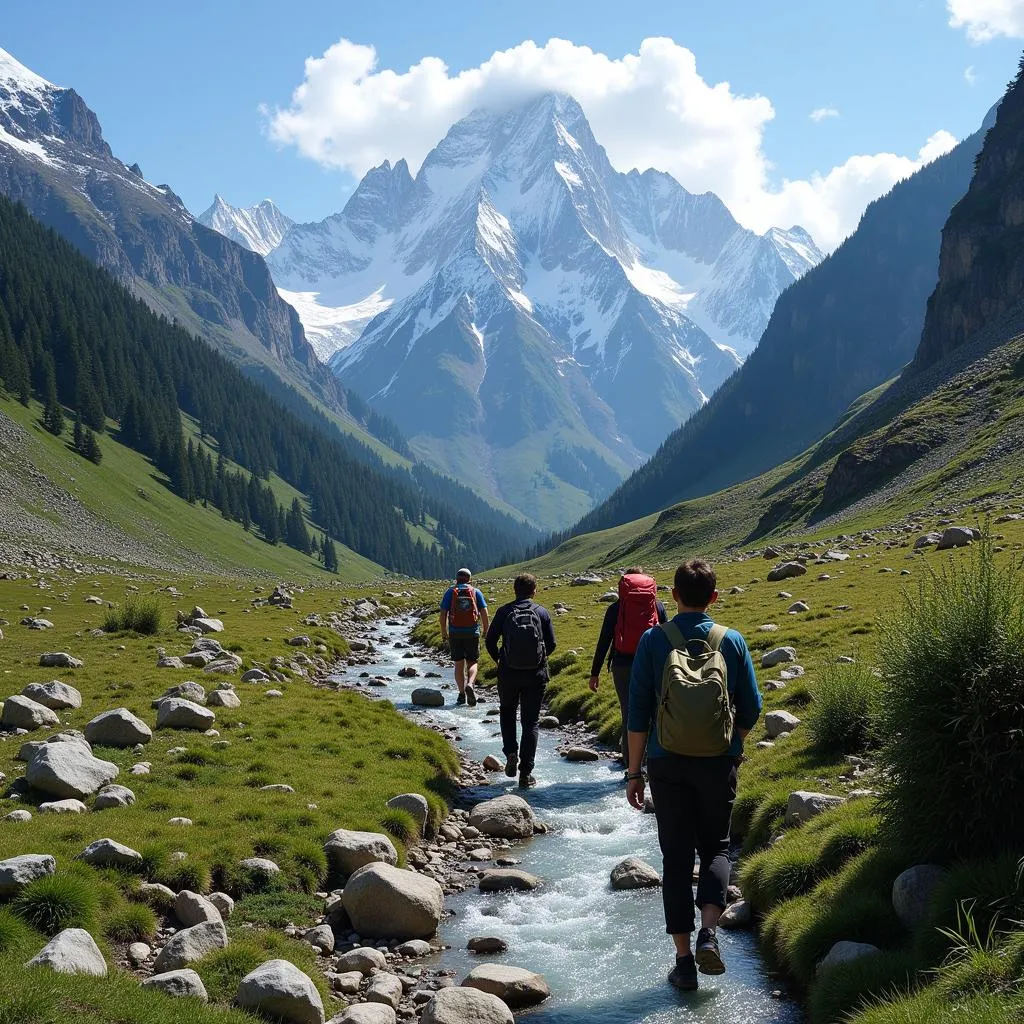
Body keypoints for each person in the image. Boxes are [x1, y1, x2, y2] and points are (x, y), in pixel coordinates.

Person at [626, 559, 762, 991]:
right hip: (716, 763)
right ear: (714, 598)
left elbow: (638, 714)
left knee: (677, 859)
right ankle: (710, 933)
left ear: (674, 596)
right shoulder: (732, 641)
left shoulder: (653, 640)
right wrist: (734, 745)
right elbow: (753, 706)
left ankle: (684, 963)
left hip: (666, 763)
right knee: (717, 849)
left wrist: (634, 772)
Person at [588, 567, 668, 764]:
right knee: (655, 712)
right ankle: (653, 762)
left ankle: (631, 767)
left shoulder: (616, 608)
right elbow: (667, 637)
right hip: (652, 665)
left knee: (629, 714)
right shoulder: (656, 605)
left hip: (622, 665)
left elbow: (604, 641)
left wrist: (595, 673)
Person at [485, 573, 557, 789]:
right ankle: (525, 773)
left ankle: (510, 753)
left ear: (514, 590)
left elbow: (490, 640)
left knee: (507, 712)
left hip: (508, 673)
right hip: (536, 676)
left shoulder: (504, 611)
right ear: (534, 590)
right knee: (531, 722)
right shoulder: (541, 612)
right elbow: (552, 643)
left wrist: (500, 659)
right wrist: (540, 659)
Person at [439, 568, 489, 706]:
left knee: (458, 664)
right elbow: (484, 612)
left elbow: (443, 614)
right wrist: (486, 630)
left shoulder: (450, 592)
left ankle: (461, 695)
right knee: (472, 662)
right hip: (472, 632)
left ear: (457, 579)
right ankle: (471, 685)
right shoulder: (475, 591)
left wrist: (444, 632)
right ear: (469, 579)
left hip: (455, 633)